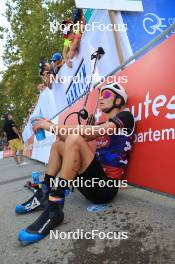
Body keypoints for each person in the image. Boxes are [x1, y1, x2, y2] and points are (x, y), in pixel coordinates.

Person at [16, 82, 135, 245]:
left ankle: (55, 206)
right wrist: (52, 128)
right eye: (100, 95)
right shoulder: (100, 124)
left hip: (106, 190)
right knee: (59, 144)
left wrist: (51, 126)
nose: (101, 98)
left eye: (106, 95)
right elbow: (74, 139)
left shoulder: (126, 116)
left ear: (119, 100)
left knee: (73, 138)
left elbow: (88, 134)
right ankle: (45, 191)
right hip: (90, 184)